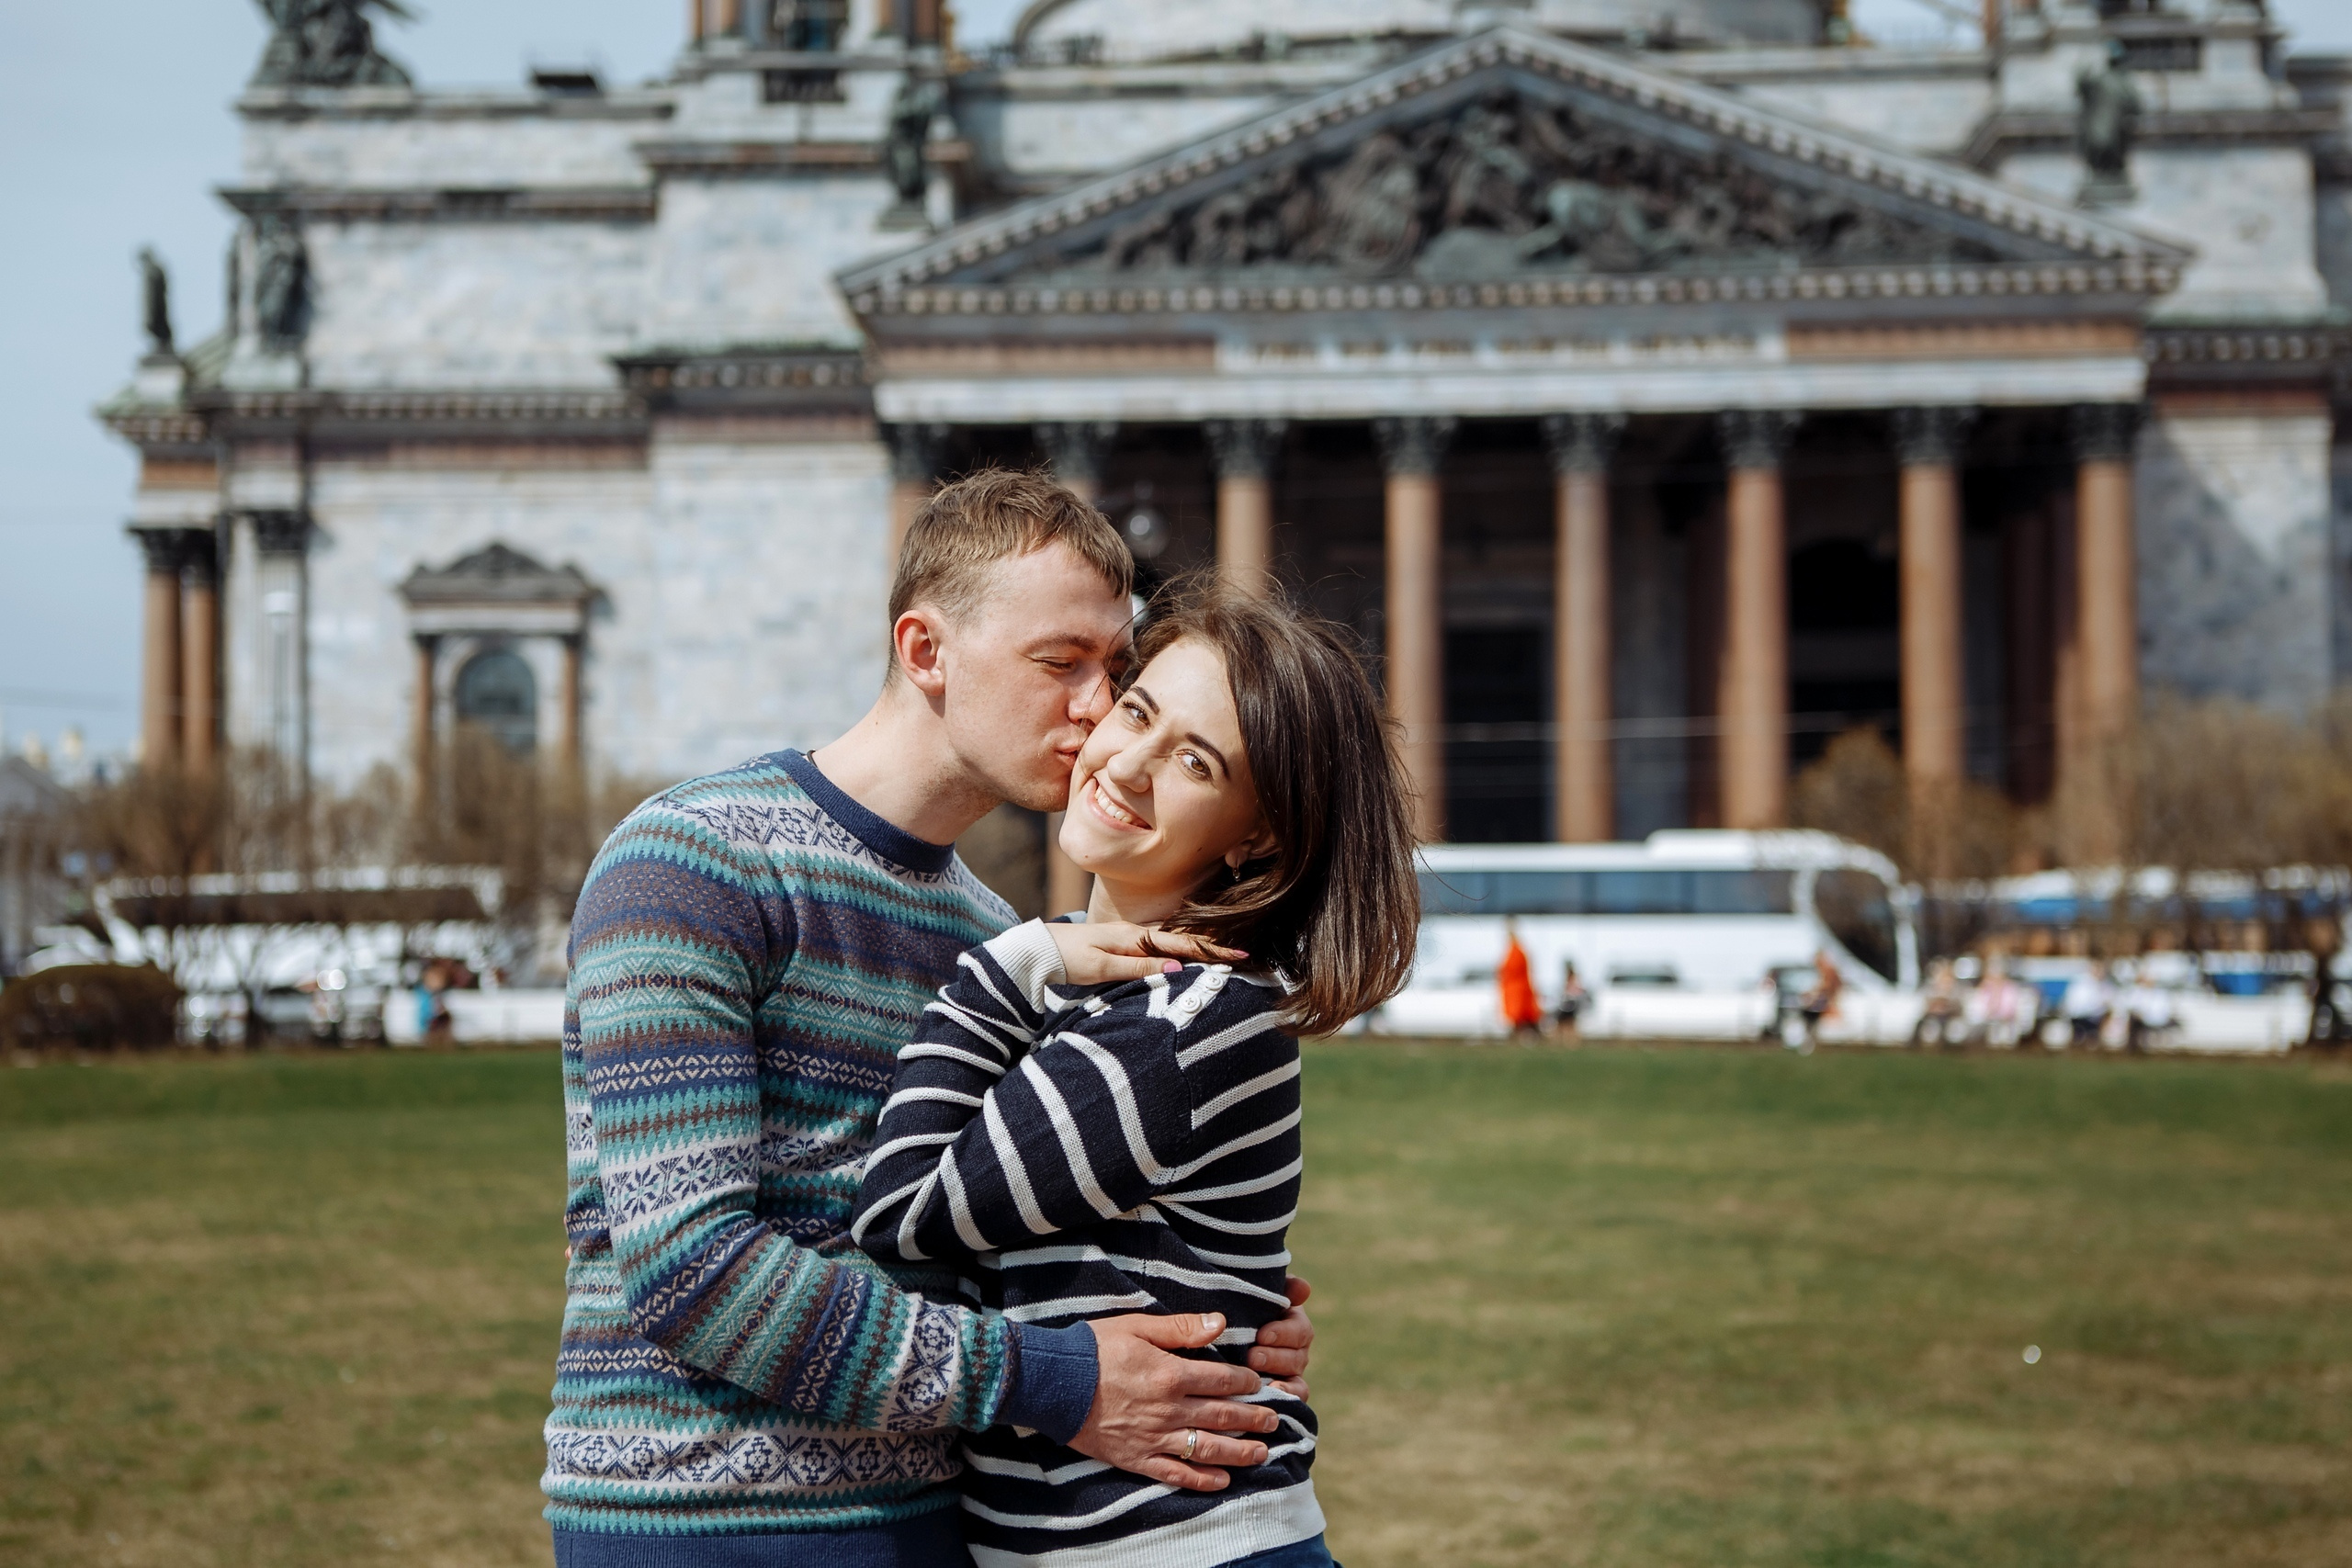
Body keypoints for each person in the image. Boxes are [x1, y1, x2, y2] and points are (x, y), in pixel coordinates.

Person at [544, 472, 1317, 1565]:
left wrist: (1225, 1320)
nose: (1098, 711)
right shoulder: (696, 861)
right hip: (698, 1522)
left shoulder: (994, 930)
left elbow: (1015, 1224)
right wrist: (1053, 1379)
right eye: (1063, 665)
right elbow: (691, 1267)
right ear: (925, 651)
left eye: (1116, 670)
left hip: (943, 1523)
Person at [854, 583, 1419, 1568]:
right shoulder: (1100, 982)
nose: (1131, 764)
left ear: (1255, 837)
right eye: (1139, 711)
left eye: (1195, 762)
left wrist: (1006, 965)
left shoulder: (1184, 1020)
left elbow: (905, 1207)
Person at [1498, 919, 1542, 1037]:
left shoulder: (1517, 951)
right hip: (1514, 988)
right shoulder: (1514, 950)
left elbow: (1512, 969)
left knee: (1519, 1013)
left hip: (1517, 988)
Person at [1553, 959, 1589, 1038]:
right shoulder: (1572, 978)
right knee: (1568, 1024)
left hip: (1570, 1004)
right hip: (1569, 1003)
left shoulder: (1572, 979)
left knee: (1566, 1023)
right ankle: (1568, 1041)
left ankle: (1568, 1041)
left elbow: (1575, 990)